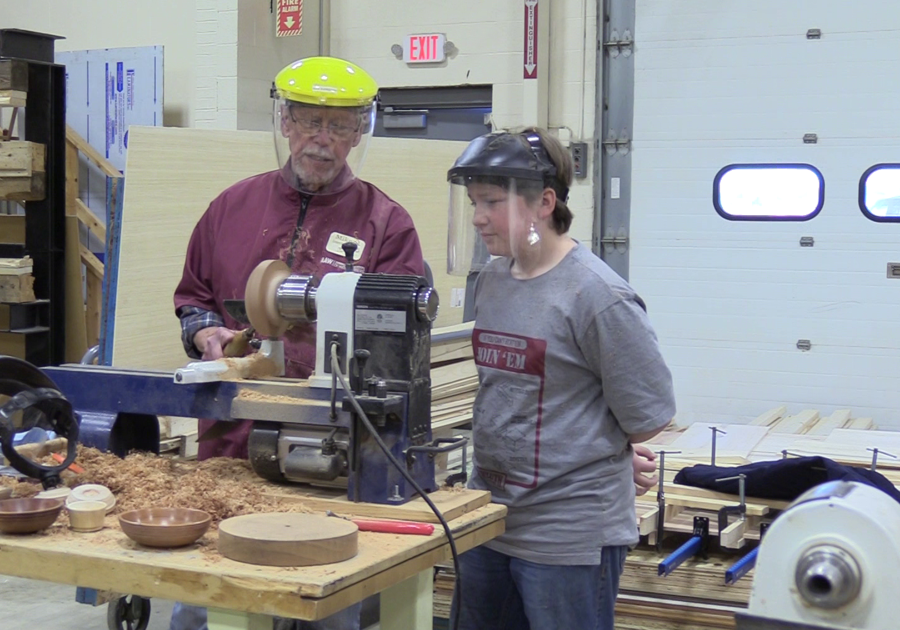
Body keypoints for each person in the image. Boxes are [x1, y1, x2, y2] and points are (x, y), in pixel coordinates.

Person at [169, 56, 424, 630]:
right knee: (208, 605)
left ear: (360, 131)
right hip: (231, 449)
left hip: (332, 453)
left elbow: (400, 341)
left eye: (338, 126)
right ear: (284, 121)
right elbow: (193, 297)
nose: (322, 140)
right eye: (309, 121)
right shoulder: (230, 208)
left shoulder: (387, 225)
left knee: (327, 607)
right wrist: (203, 331)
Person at [444, 127, 676, 630]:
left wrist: (600, 446)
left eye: (491, 202)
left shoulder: (596, 296)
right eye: (473, 202)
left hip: (566, 534)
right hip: (489, 516)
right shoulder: (492, 280)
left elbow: (648, 414)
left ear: (544, 202)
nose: (478, 217)